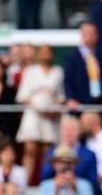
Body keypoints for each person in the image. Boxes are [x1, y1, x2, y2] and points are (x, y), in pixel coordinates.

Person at [15, 45, 65, 180]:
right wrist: (38, 108)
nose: (45, 55)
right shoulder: (30, 71)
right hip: (33, 114)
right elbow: (23, 96)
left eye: (48, 52)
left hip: (50, 115)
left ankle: (45, 181)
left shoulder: (58, 71)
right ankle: (25, 182)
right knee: (30, 148)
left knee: (47, 151)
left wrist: (53, 111)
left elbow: (60, 96)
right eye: (42, 52)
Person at [41, 115, 99, 194]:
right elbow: (45, 175)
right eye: (65, 129)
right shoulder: (51, 152)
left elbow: (93, 182)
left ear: (79, 132)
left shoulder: (89, 155)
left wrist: (75, 185)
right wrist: (56, 186)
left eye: (72, 130)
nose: (68, 133)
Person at [64, 21, 102, 107]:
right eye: (87, 33)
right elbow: (68, 81)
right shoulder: (72, 57)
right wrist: (70, 98)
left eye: (93, 33)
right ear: (82, 35)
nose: (91, 36)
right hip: (78, 105)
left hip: (99, 104)